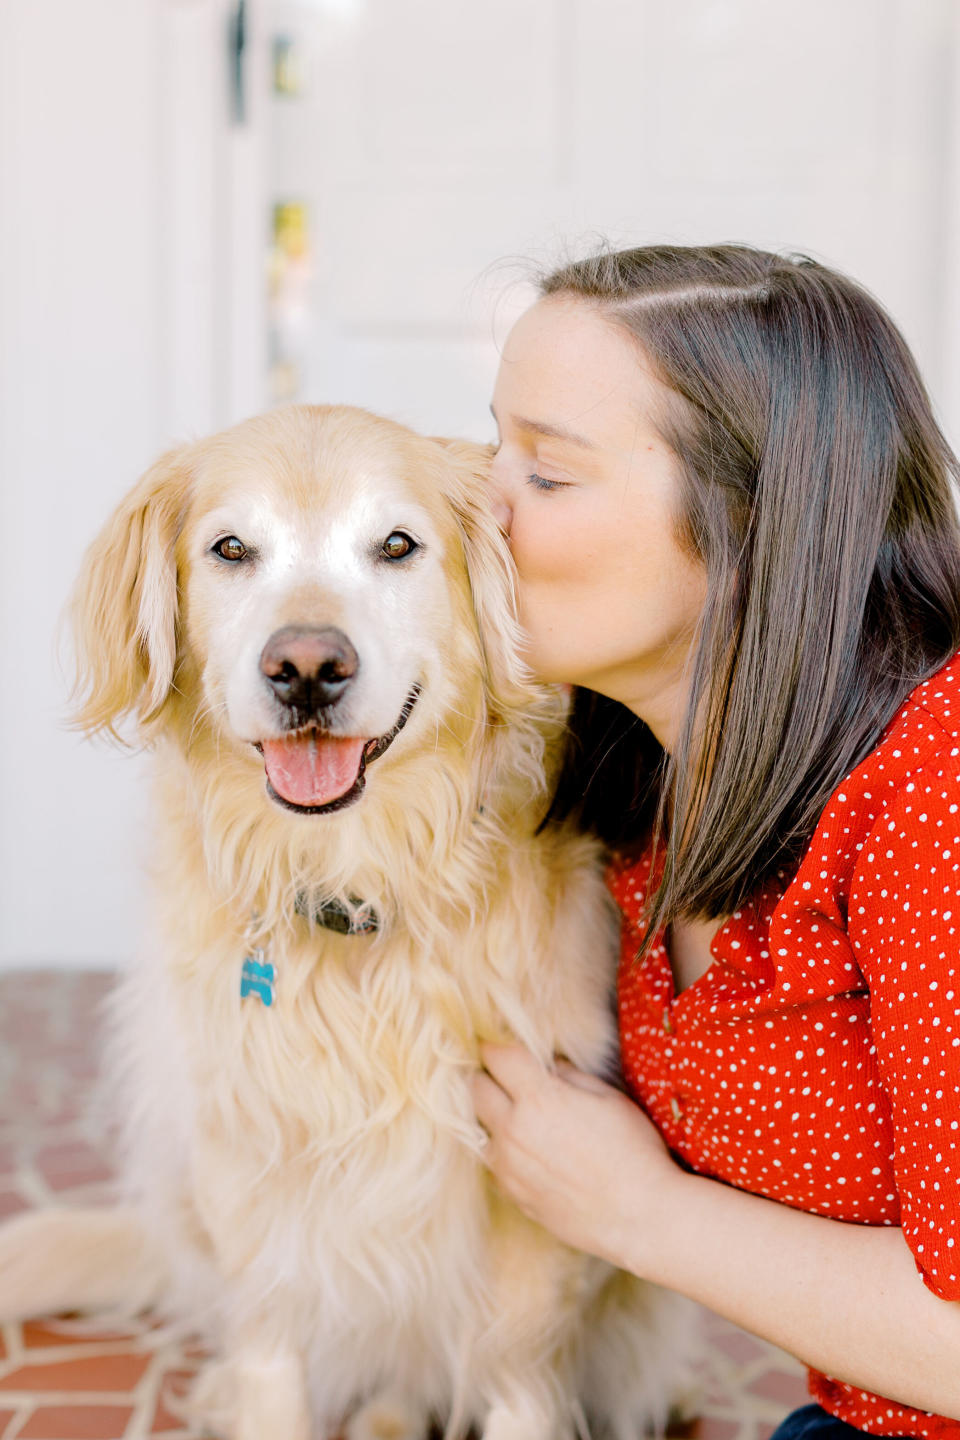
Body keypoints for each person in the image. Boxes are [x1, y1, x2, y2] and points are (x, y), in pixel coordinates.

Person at [471, 244, 960, 1440]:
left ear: (747, 520)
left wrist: (641, 1214)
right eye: (490, 446)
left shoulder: (936, 793)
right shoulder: (635, 765)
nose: (475, 502)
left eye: (545, 472)